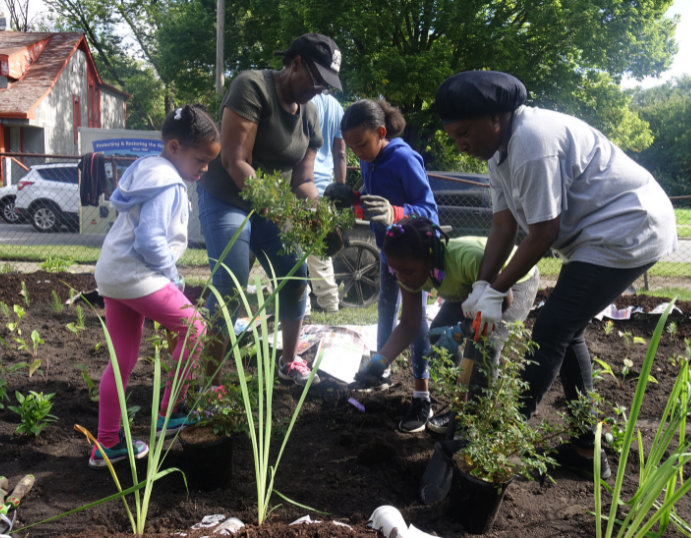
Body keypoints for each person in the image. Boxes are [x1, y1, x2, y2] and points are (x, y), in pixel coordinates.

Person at [436, 70, 678, 477]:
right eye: (453, 136)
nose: (461, 144)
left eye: (464, 132)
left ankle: (499, 441)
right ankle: (588, 450)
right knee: (567, 329)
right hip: (597, 235)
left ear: (495, 117)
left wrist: (497, 290)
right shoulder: (498, 153)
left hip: (629, 226)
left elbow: (545, 232)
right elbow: (502, 225)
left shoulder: (533, 141)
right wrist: (481, 283)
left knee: (551, 328)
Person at [197, 33, 342, 387]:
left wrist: (321, 217)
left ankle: (289, 362)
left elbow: (303, 179)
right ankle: (208, 381)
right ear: (295, 63)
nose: (320, 89)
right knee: (231, 285)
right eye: (317, 79)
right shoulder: (252, 86)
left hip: (270, 205)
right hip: (227, 198)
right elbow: (234, 161)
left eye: (327, 84)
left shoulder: (311, 113)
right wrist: (282, 211)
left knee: (295, 276)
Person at [90, 105, 221, 468]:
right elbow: (150, 239)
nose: (204, 168)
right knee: (196, 329)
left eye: (209, 162)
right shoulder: (168, 182)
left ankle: (107, 444)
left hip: (114, 274)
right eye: (201, 159)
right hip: (139, 274)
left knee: (122, 362)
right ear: (175, 147)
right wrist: (172, 274)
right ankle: (170, 411)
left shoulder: (146, 169)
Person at [356, 215, 539, 433]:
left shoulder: (465, 259)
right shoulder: (410, 272)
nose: (401, 278)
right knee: (437, 336)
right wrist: (381, 359)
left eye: (406, 272)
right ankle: (462, 405)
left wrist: (463, 330)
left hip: (513, 282)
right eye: (396, 272)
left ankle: (476, 423)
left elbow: (502, 301)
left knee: (484, 345)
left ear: (429, 257)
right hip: (470, 288)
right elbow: (409, 323)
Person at [338, 99, 439, 430]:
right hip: (387, 252)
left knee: (415, 322)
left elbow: (429, 212)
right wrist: (352, 198)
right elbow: (374, 198)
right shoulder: (369, 160)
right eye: (351, 148)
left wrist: (396, 212)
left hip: (412, 256)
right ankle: (380, 370)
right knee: (385, 308)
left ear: (381, 132)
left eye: (362, 145)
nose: (358, 154)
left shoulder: (403, 158)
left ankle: (423, 398)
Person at [305, 92, 346, 313]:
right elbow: (340, 153)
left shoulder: (302, 102)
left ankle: (303, 309)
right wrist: (339, 189)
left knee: (295, 253)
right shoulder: (337, 107)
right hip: (325, 189)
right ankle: (329, 305)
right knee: (319, 253)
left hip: (301, 185)